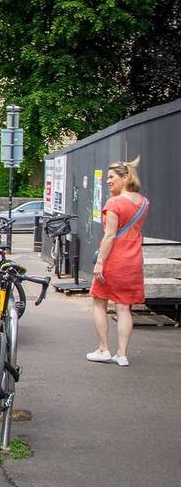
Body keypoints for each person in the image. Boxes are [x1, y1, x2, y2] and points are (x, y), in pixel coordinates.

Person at [87, 157, 148, 367]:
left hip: (114, 260)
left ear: (125, 177)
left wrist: (100, 262)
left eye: (111, 177)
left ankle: (104, 349)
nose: (108, 181)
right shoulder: (143, 202)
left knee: (98, 302)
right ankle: (122, 354)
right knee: (124, 308)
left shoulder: (114, 203)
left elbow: (110, 236)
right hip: (133, 261)